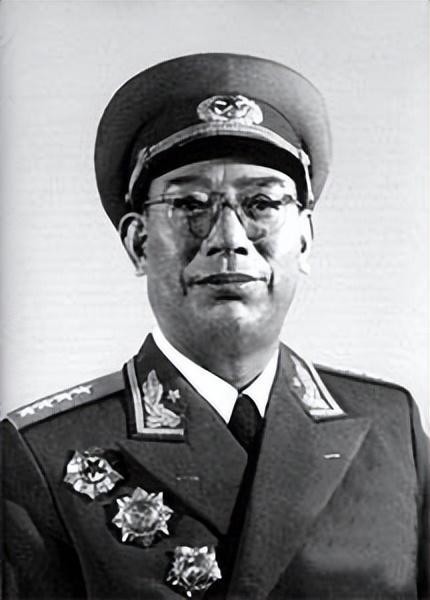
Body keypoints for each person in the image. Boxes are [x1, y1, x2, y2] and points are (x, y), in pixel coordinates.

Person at [2, 53, 429, 600]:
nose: (229, 238)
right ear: (139, 243)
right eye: (190, 204)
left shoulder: (392, 429)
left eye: (261, 203)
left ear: (303, 240)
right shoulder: (43, 455)